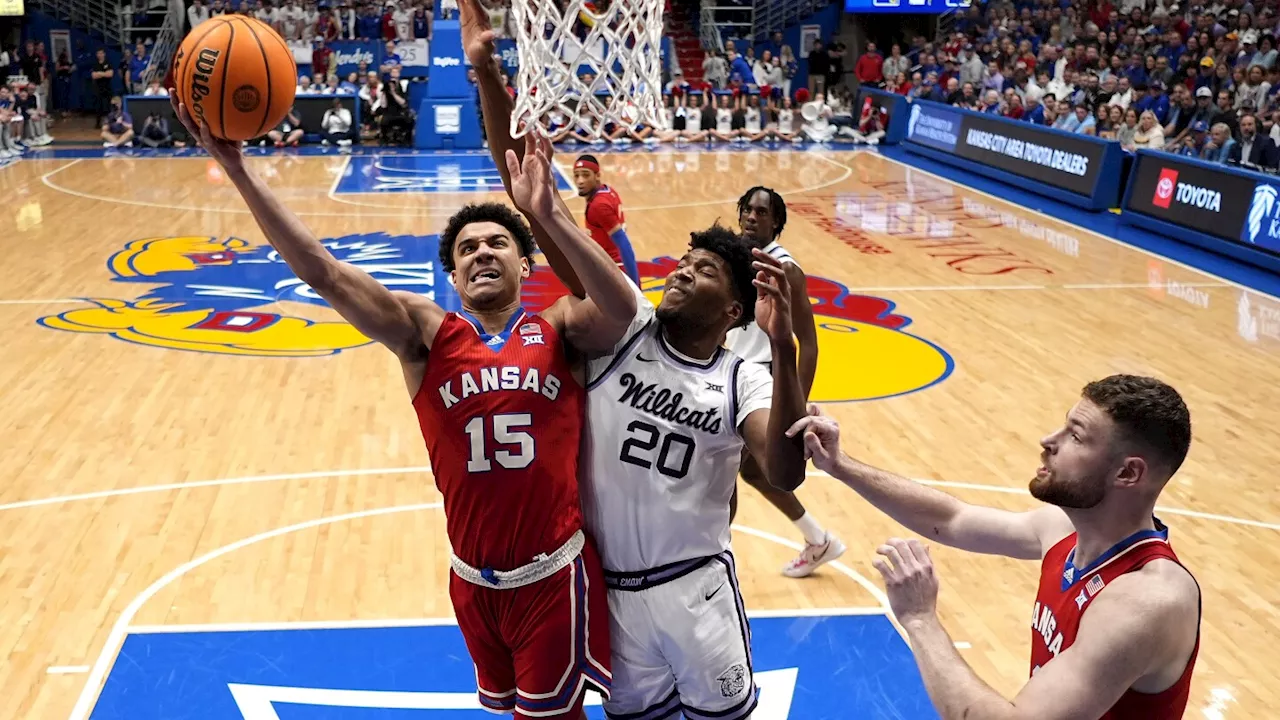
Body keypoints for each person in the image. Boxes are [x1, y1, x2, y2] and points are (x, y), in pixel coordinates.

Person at [169, 87, 638, 717]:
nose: (481, 254)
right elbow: (324, 273)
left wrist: (548, 215)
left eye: (497, 243)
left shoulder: (559, 329)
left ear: (526, 265)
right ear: (452, 275)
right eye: (467, 249)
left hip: (553, 576)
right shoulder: (425, 336)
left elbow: (623, 308)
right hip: (472, 580)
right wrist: (237, 169)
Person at [458, 4, 807, 719]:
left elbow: (783, 470)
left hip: (696, 588)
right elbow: (529, 187)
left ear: (734, 309)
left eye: (704, 270)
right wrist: (487, 72)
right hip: (607, 592)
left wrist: (782, 347)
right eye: (685, 259)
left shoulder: (743, 373)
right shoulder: (623, 329)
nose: (681, 271)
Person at [787, 375, 1200, 719]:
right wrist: (840, 465)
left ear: (1128, 473)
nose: (1047, 440)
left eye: (1075, 436)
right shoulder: (1066, 531)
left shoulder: (1146, 600)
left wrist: (919, 618)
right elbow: (952, 519)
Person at [724, 186, 844, 578]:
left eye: (762, 212)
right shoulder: (734, 258)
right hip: (731, 375)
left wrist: (796, 402)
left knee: (722, 473)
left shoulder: (785, 268)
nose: (752, 216)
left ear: (776, 222)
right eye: (748, 209)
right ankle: (818, 540)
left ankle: (709, 561)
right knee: (754, 472)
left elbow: (807, 342)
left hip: (763, 383)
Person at [571, 154, 639, 284]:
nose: (580, 181)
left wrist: (635, 284)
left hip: (612, 268)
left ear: (597, 175)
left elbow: (624, 245)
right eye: (576, 175)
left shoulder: (599, 206)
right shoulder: (607, 190)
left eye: (585, 175)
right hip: (609, 261)